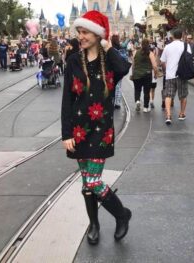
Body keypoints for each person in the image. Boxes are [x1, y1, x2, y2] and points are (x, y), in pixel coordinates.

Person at [61, 10, 131, 245]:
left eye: (85, 32)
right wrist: (66, 133)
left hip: (101, 130)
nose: (80, 36)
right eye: (79, 32)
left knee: (93, 182)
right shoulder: (73, 60)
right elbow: (67, 99)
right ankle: (94, 224)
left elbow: (123, 68)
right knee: (86, 184)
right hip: (79, 130)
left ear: (97, 34)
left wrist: (108, 45)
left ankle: (121, 214)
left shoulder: (110, 60)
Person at [160, 28, 191, 125]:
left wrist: (166, 70)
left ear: (173, 36)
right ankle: (182, 113)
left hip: (170, 75)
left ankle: (168, 115)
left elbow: (162, 61)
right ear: (181, 36)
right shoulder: (186, 45)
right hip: (182, 74)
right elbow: (189, 58)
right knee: (183, 95)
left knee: (168, 95)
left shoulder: (167, 47)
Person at [131, 38, 158, 112]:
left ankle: (137, 101)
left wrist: (133, 74)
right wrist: (156, 74)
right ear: (148, 44)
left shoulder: (135, 52)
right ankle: (145, 108)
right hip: (147, 75)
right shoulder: (150, 53)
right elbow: (155, 66)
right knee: (146, 91)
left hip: (137, 74)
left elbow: (133, 65)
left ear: (141, 44)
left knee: (137, 89)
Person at [111, 34, 128, 109]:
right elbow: (126, 58)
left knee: (111, 86)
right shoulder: (121, 48)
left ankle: (111, 101)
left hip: (111, 70)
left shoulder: (110, 48)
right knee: (118, 86)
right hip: (119, 70)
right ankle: (117, 103)